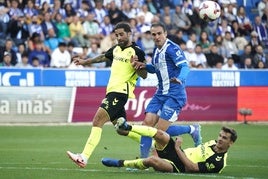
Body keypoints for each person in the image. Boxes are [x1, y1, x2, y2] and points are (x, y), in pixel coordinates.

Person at [66, 22, 148, 168]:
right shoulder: (116, 49)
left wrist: (136, 66)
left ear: (129, 34)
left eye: (121, 34)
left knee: (97, 120)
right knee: (122, 129)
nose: (119, 37)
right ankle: (154, 144)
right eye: (116, 35)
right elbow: (103, 57)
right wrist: (85, 62)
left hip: (121, 92)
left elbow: (145, 74)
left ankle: (84, 157)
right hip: (112, 91)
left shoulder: (137, 51)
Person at [127, 22, 200, 159]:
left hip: (174, 94)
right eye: (154, 34)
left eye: (159, 33)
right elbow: (155, 69)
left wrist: (180, 78)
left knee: (159, 131)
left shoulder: (172, 48)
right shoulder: (156, 51)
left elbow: (185, 66)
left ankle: (192, 129)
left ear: (165, 33)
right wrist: (144, 66)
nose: (156, 36)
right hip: (160, 93)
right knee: (146, 125)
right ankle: (143, 161)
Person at [102, 118, 238, 174]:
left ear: (230, 143)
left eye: (224, 138)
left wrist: (178, 148)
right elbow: (199, 151)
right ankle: (129, 128)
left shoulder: (218, 162)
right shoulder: (213, 143)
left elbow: (191, 167)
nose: (219, 139)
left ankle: (120, 163)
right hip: (179, 153)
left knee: (152, 160)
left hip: (179, 167)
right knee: (161, 135)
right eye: (220, 135)